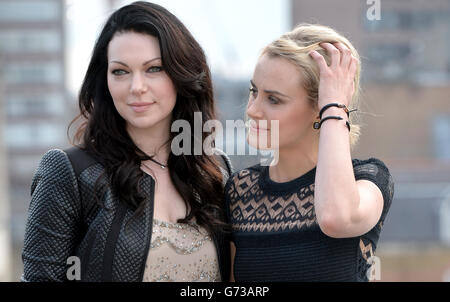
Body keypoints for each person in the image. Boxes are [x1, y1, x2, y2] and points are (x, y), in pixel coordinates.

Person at [21, 1, 232, 282]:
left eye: (154, 69)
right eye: (120, 71)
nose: (136, 87)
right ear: (104, 80)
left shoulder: (215, 171)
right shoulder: (68, 172)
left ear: (182, 73)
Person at [225, 24, 394, 282]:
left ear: (320, 108)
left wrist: (335, 107)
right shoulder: (240, 190)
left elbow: (335, 218)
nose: (252, 110)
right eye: (253, 92)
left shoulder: (368, 179)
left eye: (273, 99)